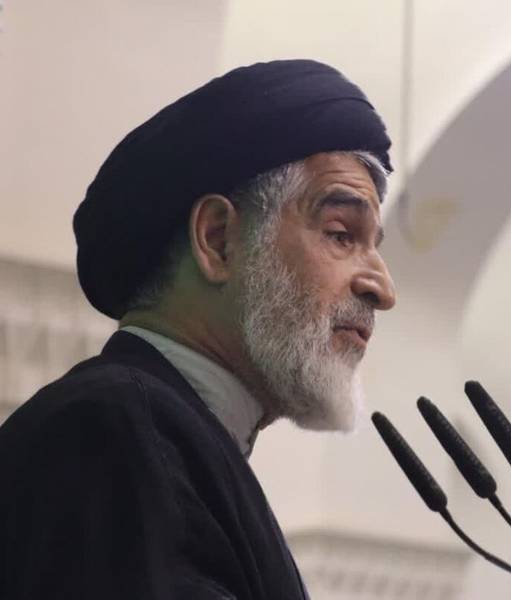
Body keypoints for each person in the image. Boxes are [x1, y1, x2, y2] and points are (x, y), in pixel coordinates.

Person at [0, 60, 396, 600]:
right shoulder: (115, 433)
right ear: (217, 239)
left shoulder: (177, 437)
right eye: (341, 234)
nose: (382, 288)